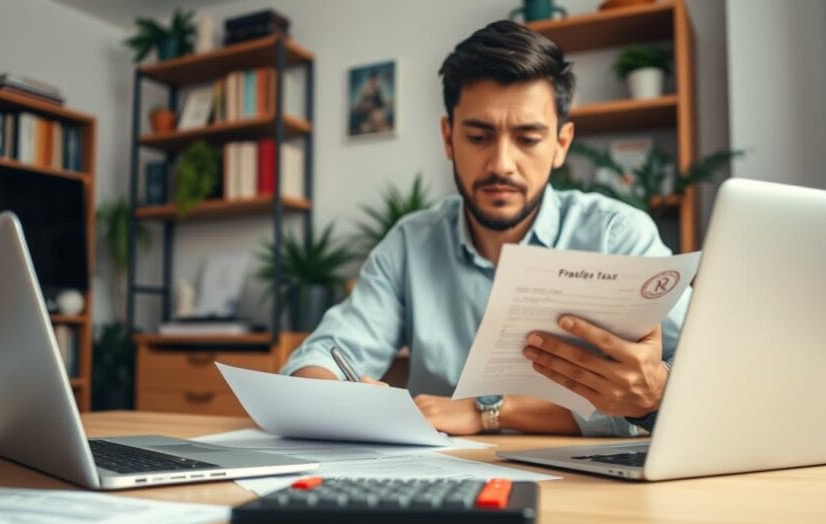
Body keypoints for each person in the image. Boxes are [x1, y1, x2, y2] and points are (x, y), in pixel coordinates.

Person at [281, 20, 690, 437]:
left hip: (591, 488)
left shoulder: (616, 235)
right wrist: (331, 394)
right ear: (448, 137)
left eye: (528, 139)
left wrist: (653, 392)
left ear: (561, 144)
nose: (501, 164)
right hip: (442, 484)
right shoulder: (411, 242)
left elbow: (714, 371)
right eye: (479, 137)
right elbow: (324, 354)